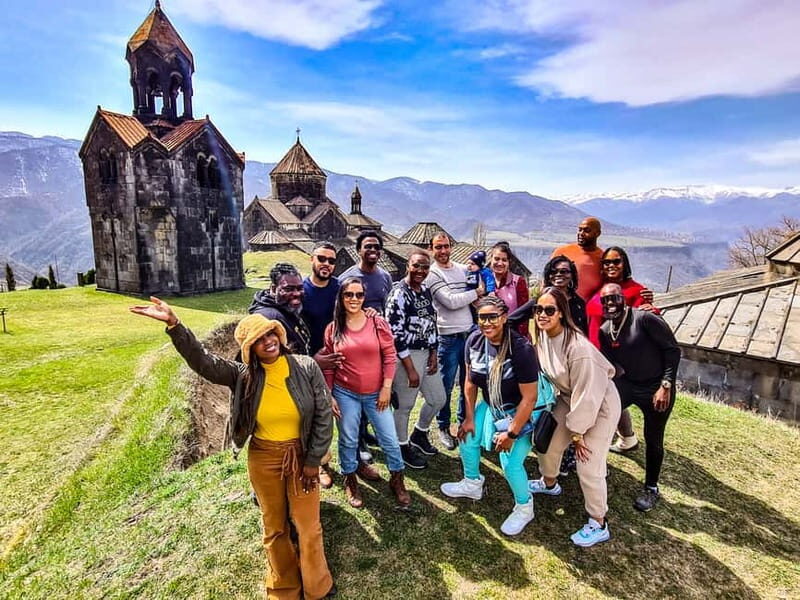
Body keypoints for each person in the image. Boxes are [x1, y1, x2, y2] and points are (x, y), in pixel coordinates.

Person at [129, 298, 335, 599]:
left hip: (301, 454)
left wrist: (313, 460)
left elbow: (322, 416)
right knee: (274, 527)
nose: (268, 342)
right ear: (249, 349)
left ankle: (318, 587)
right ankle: (285, 589)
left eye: (270, 335)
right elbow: (203, 361)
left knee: (308, 526)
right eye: (259, 340)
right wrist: (175, 326)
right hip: (264, 458)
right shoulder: (244, 376)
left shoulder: (306, 367)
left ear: (279, 335)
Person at [528, 287, 621, 547]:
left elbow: (588, 393)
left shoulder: (577, 348)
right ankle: (549, 483)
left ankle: (598, 521)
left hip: (598, 403)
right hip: (570, 397)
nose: (542, 315)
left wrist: (578, 434)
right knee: (547, 444)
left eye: (549, 310)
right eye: (539, 310)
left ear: (561, 314)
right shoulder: (543, 335)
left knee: (588, 464)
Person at [440, 296, 539, 536]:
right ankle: (472, 483)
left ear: (504, 317)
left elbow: (530, 398)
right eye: (482, 317)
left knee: (510, 462)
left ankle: (525, 507)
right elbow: (470, 382)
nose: (486, 322)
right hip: (492, 405)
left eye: (492, 317)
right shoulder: (474, 340)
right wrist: (469, 416)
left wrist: (512, 432)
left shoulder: (521, 349)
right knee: (467, 436)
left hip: (521, 411)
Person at [322, 277, 410, 509]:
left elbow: (390, 356)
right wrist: (330, 395)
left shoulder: (377, 322)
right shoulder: (333, 329)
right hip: (345, 392)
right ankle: (350, 480)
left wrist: (386, 388)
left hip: (376, 393)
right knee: (349, 439)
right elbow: (331, 365)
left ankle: (397, 480)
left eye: (359, 295)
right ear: (341, 298)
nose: (354, 299)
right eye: (348, 294)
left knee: (389, 439)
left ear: (364, 297)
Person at [598, 283, 681, 512]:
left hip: (657, 386)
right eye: (605, 300)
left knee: (653, 438)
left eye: (614, 298)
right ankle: (596, 466)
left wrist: (666, 385)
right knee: (602, 415)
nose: (610, 303)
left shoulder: (644, 319)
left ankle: (651, 487)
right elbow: (610, 360)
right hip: (629, 384)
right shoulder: (605, 330)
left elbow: (672, 350)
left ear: (623, 299)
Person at [585, 246, 658, 452]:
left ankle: (598, 446)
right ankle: (628, 438)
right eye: (606, 262)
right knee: (610, 399)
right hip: (593, 353)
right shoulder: (601, 288)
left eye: (616, 262)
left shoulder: (636, 290)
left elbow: (648, 318)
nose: (611, 266)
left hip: (614, 358)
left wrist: (650, 306)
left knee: (606, 402)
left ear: (624, 264)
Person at [385, 250, 446, 469]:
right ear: (407, 266)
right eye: (416, 265)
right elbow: (395, 334)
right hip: (405, 357)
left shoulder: (425, 291)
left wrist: (433, 353)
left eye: (425, 267)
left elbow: (431, 323)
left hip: (426, 353)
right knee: (404, 405)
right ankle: (401, 446)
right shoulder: (398, 294)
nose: (421, 270)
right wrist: (410, 368)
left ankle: (419, 434)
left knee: (438, 398)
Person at [426, 232, 485, 451]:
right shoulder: (432, 274)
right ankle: (442, 426)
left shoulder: (462, 269)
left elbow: (478, 289)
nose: (442, 251)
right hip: (447, 336)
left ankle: (463, 422)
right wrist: (475, 293)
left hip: (469, 334)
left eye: (445, 246)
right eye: (438, 247)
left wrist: (477, 291)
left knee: (468, 383)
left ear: (451, 246)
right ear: (431, 249)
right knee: (445, 385)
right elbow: (450, 302)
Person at [508, 255, 588, 335]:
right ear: (548, 276)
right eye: (553, 272)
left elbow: (584, 332)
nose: (558, 274)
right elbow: (510, 321)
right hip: (547, 346)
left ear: (571, 275)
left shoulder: (578, 303)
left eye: (564, 271)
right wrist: (521, 343)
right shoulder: (541, 300)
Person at [249, 263, 311, 355]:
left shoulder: (286, 308)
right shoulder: (267, 318)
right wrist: (315, 362)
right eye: (288, 289)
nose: (297, 294)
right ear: (274, 289)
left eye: (300, 288)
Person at [338, 230, 392, 311]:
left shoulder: (386, 277)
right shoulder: (345, 279)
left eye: (377, 247)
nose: (373, 250)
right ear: (359, 251)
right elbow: (340, 310)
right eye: (368, 247)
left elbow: (389, 307)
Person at [552, 217, 604, 301]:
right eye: (580, 230)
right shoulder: (562, 252)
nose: (581, 233)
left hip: (587, 310)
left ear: (597, 233)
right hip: (560, 306)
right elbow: (547, 280)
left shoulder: (603, 258)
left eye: (587, 230)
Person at [303, 243, 340, 356]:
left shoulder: (341, 289)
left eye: (331, 261)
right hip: (310, 356)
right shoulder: (299, 291)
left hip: (338, 353)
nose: (326, 264)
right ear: (312, 259)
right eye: (321, 259)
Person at [489, 241, 529, 337]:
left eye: (504, 260)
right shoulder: (483, 281)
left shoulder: (518, 282)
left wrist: (520, 338)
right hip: (489, 335)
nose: (500, 263)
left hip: (513, 335)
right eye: (497, 259)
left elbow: (524, 313)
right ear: (491, 259)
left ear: (509, 262)